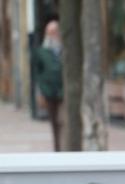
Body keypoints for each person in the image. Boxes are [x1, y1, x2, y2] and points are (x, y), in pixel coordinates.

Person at [33, 19, 64, 151]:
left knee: (64, 121)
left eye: (55, 31)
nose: (53, 35)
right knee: (55, 123)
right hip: (49, 93)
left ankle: (66, 149)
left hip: (65, 93)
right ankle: (58, 150)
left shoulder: (65, 50)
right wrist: (40, 92)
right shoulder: (41, 52)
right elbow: (37, 74)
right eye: (50, 32)